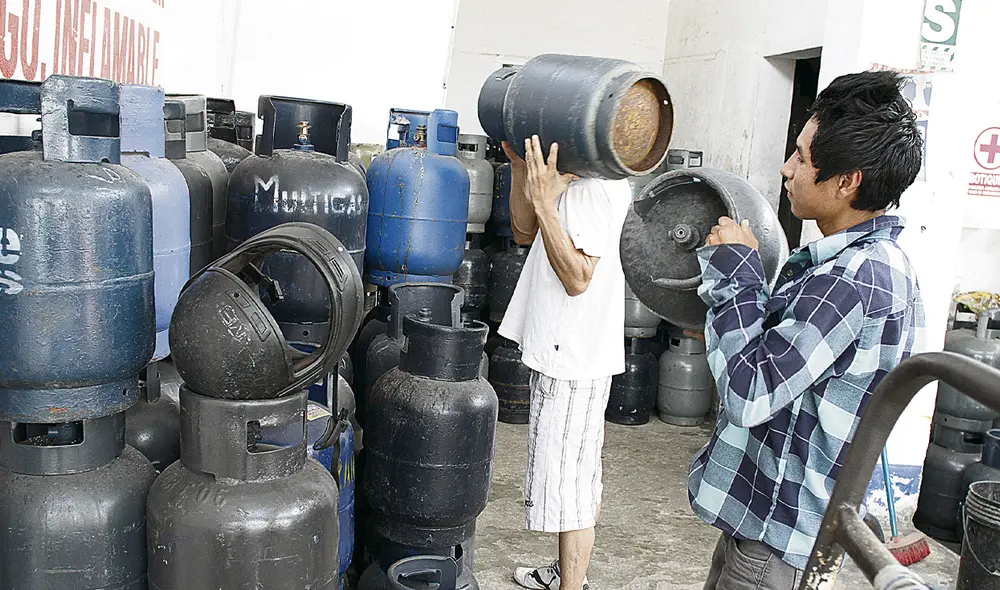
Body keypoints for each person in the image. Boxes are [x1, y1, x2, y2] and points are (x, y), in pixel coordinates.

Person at [691, 70, 925, 590]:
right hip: (770, 528)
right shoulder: (870, 264)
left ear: (847, 182)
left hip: (776, 545)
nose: (786, 168)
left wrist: (736, 273)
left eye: (801, 157)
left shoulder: (851, 280)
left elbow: (749, 392)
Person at [498, 135, 633, 590]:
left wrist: (545, 202)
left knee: (570, 488)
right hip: (560, 350)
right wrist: (521, 171)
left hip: (573, 358)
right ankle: (566, 573)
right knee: (575, 477)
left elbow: (578, 277)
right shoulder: (566, 180)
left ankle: (571, 585)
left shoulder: (597, 185)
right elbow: (522, 231)